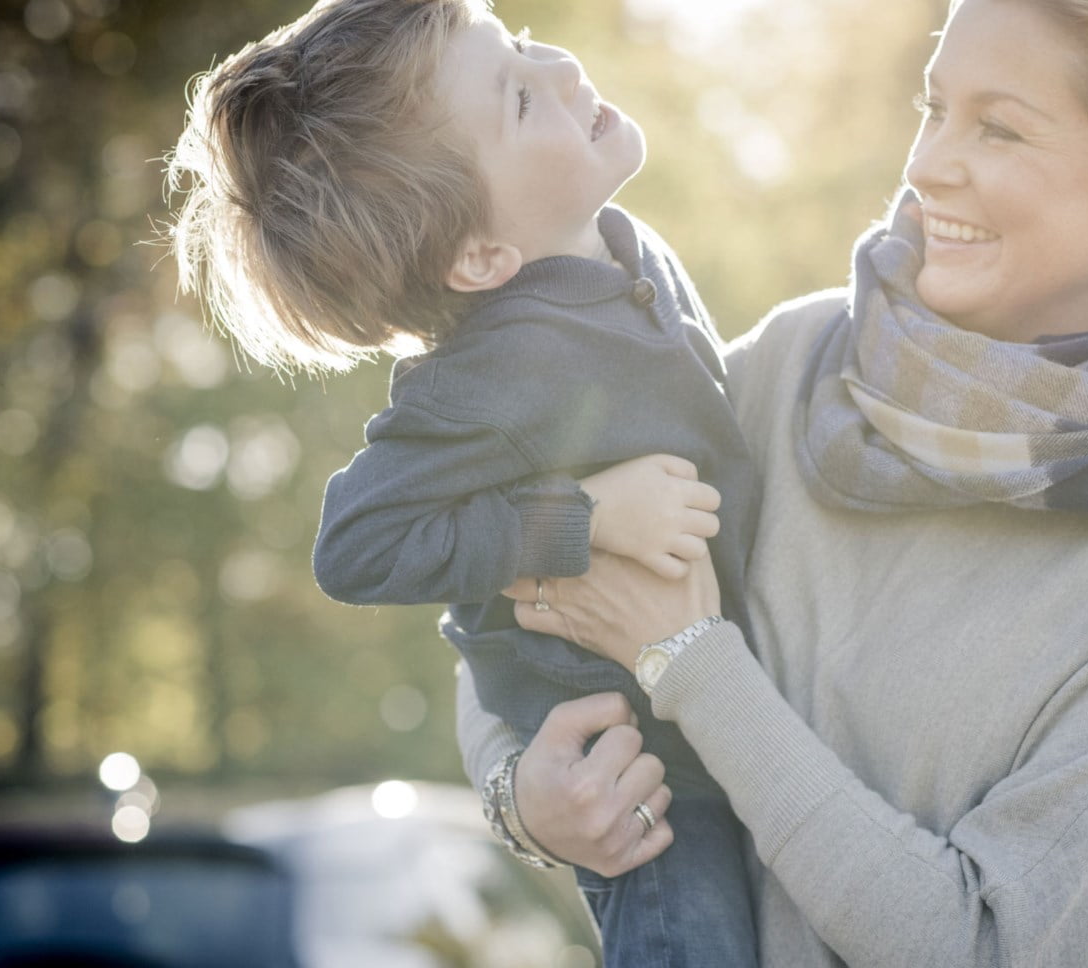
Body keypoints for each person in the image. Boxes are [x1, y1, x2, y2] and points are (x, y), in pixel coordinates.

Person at [458, 0, 1088, 964]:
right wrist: (521, 798)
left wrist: (689, 660)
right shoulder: (799, 362)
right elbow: (515, 606)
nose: (927, 165)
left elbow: (985, 946)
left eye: (999, 128)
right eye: (933, 109)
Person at [163, 0, 760, 964]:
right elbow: (358, 545)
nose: (561, 67)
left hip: (731, 717)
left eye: (517, 41)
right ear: (481, 257)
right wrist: (587, 517)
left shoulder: (624, 247)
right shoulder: (488, 371)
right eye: (519, 99)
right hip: (638, 785)